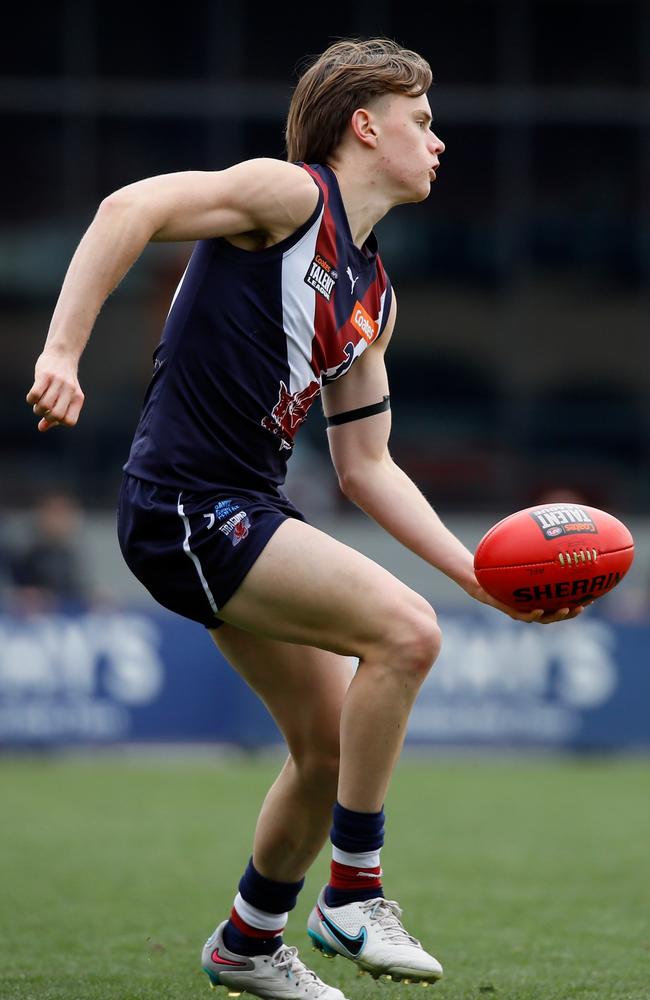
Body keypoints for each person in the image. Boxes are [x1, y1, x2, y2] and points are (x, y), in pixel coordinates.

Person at [27, 37, 585, 1000]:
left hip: (240, 510)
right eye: (422, 122)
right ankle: (353, 894)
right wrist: (64, 352)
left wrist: (480, 575)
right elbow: (130, 208)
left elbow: (368, 466)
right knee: (406, 634)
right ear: (365, 127)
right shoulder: (287, 198)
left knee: (330, 751)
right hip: (186, 507)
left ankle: (247, 942)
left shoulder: (374, 294)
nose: (439, 142)